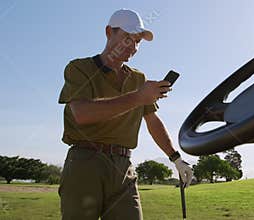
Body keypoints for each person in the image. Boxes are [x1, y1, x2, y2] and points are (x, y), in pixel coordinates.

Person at [57, 8, 193, 220]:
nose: (134, 46)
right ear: (109, 32)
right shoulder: (79, 68)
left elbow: (152, 120)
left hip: (124, 167)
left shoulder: (138, 79)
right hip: (85, 162)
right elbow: (82, 113)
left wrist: (175, 158)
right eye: (127, 38)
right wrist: (138, 97)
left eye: (138, 41)